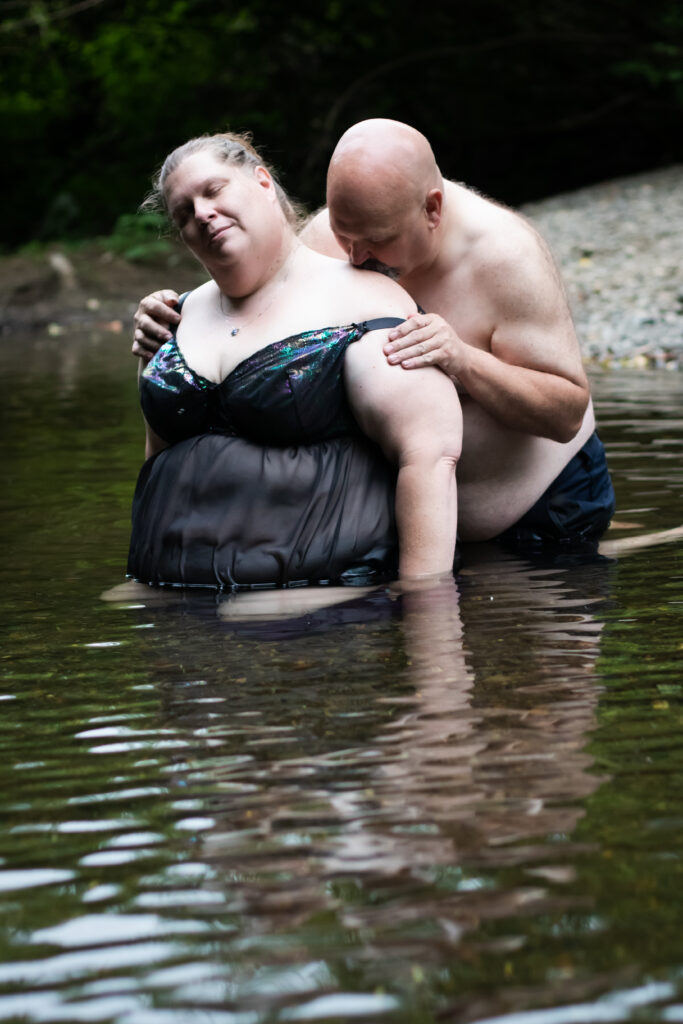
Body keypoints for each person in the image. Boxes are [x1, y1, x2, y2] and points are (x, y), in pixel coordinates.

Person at [133, 120, 615, 550]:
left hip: (544, 509)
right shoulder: (329, 238)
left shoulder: (506, 258)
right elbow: (253, 317)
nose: (356, 259)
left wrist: (462, 359)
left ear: (432, 209)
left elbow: (566, 412)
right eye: (346, 236)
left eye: (378, 241)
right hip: (399, 525)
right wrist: (169, 318)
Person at [127, 131, 462, 591]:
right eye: (183, 212)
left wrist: (429, 623)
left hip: (317, 603)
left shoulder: (366, 302)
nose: (201, 213)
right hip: (167, 602)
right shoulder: (169, 319)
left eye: (214, 190)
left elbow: (430, 458)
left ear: (263, 183)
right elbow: (159, 465)